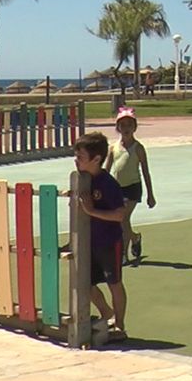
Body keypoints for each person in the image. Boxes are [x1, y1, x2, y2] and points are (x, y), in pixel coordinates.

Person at [73, 132, 129, 338]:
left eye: (81, 157)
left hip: (109, 242)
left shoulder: (108, 183)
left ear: (96, 159)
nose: (76, 160)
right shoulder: (82, 180)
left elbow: (119, 215)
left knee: (114, 283)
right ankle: (106, 312)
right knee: (84, 282)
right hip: (90, 242)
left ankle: (120, 325)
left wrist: (92, 211)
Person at [107, 107, 156, 265]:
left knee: (123, 218)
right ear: (118, 128)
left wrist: (150, 194)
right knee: (122, 220)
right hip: (117, 189)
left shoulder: (138, 148)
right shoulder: (113, 148)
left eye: (129, 125)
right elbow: (106, 171)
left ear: (134, 127)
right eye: (122, 125)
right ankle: (135, 238)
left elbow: (146, 172)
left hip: (133, 188)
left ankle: (123, 254)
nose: (126, 128)